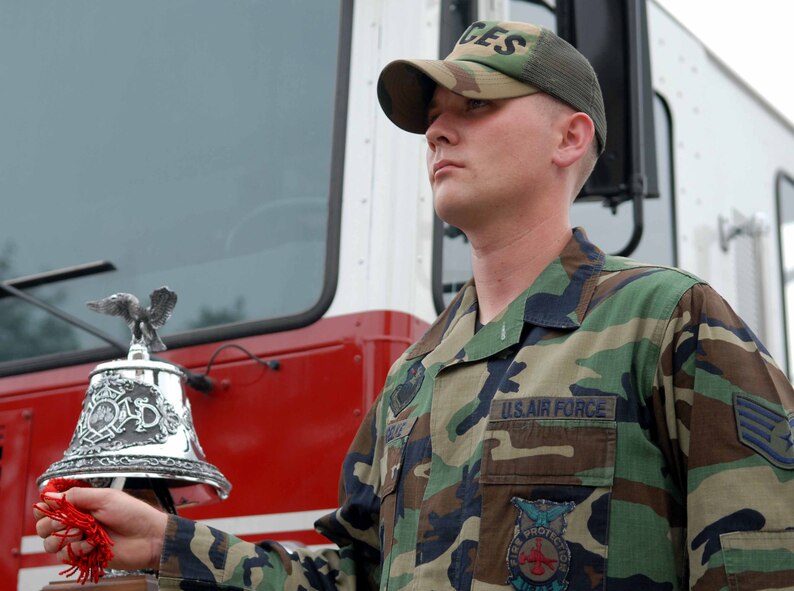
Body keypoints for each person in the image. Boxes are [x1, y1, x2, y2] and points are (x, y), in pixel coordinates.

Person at [35, 20, 794, 590]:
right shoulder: (412, 381)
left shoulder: (667, 322)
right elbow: (351, 578)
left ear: (570, 136)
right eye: (432, 112)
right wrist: (167, 542)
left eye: (476, 103)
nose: (437, 128)